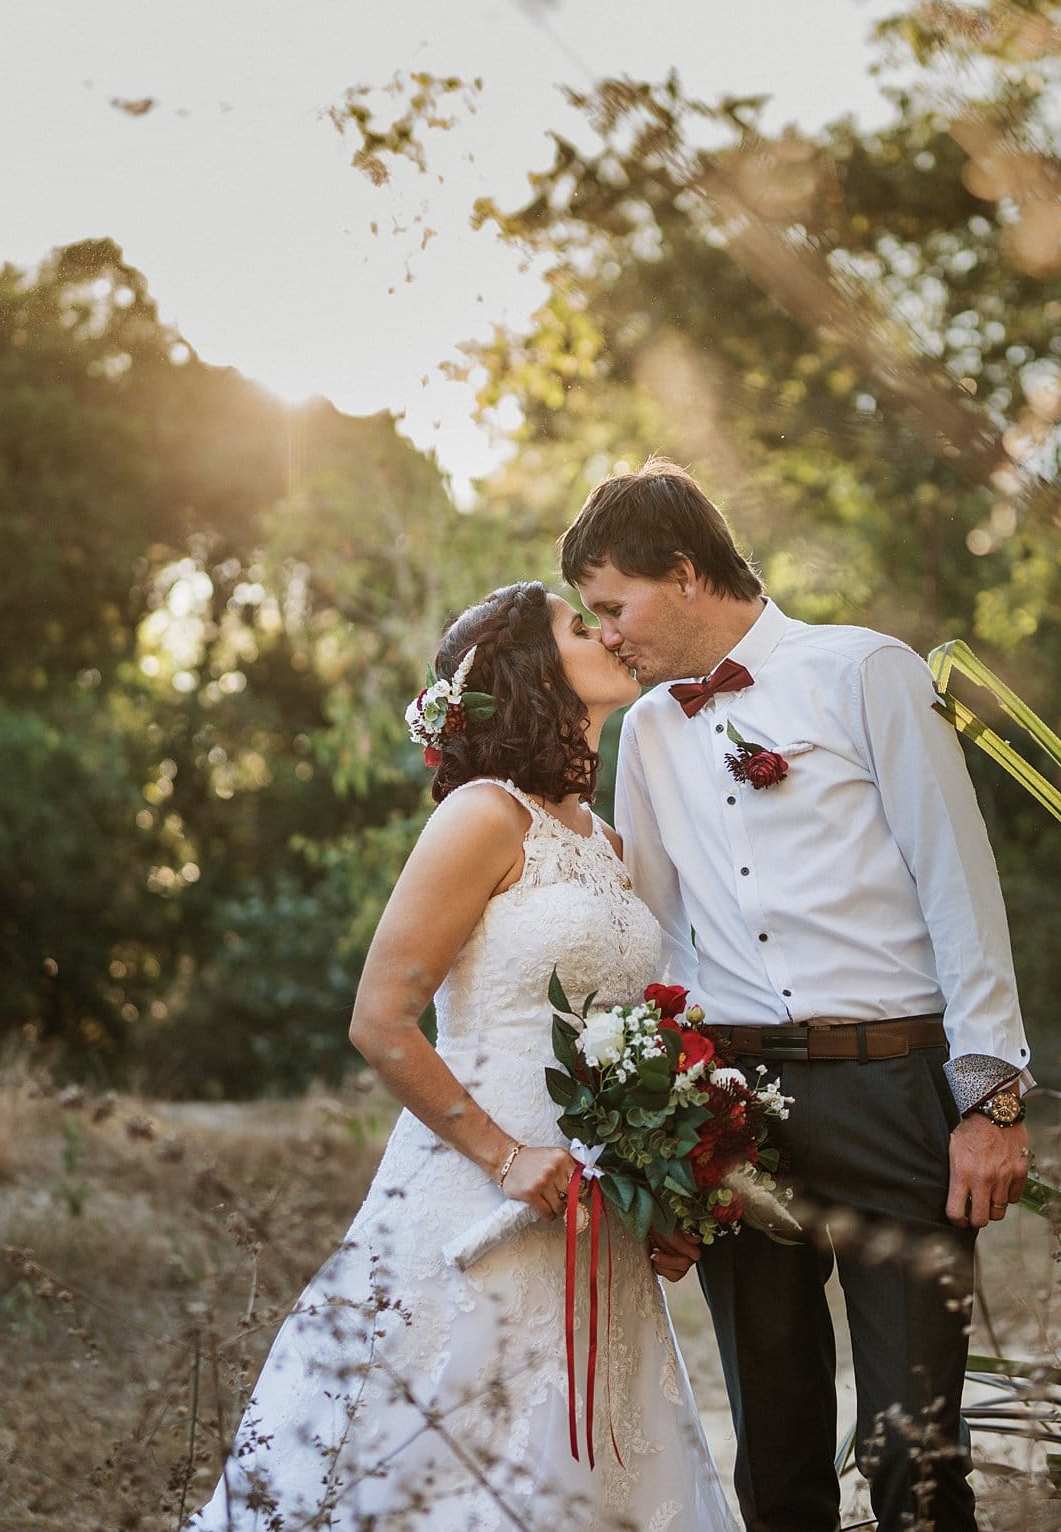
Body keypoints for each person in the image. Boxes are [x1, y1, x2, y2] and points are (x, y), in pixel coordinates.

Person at [184, 580, 738, 1532]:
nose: (605, 632)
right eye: (579, 623)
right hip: (478, 1191)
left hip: (591, 1211)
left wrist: (664, 1192)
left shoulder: (606, 841)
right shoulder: (484, 816)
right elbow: (381, 1019)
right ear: (532, 671)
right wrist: (504, 1156)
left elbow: (630, 1040)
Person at [564, 462, 1033, 1532]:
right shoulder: (645, 734)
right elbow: (655, 942)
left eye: (614, 607)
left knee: (913, 1455)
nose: (607, 637)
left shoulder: (866, 671)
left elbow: (959, 883)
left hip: (893, 1094)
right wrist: (661, 1153)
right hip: (733, 1116)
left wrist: (991, 1100)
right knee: (773, 1459)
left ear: (683, 573)